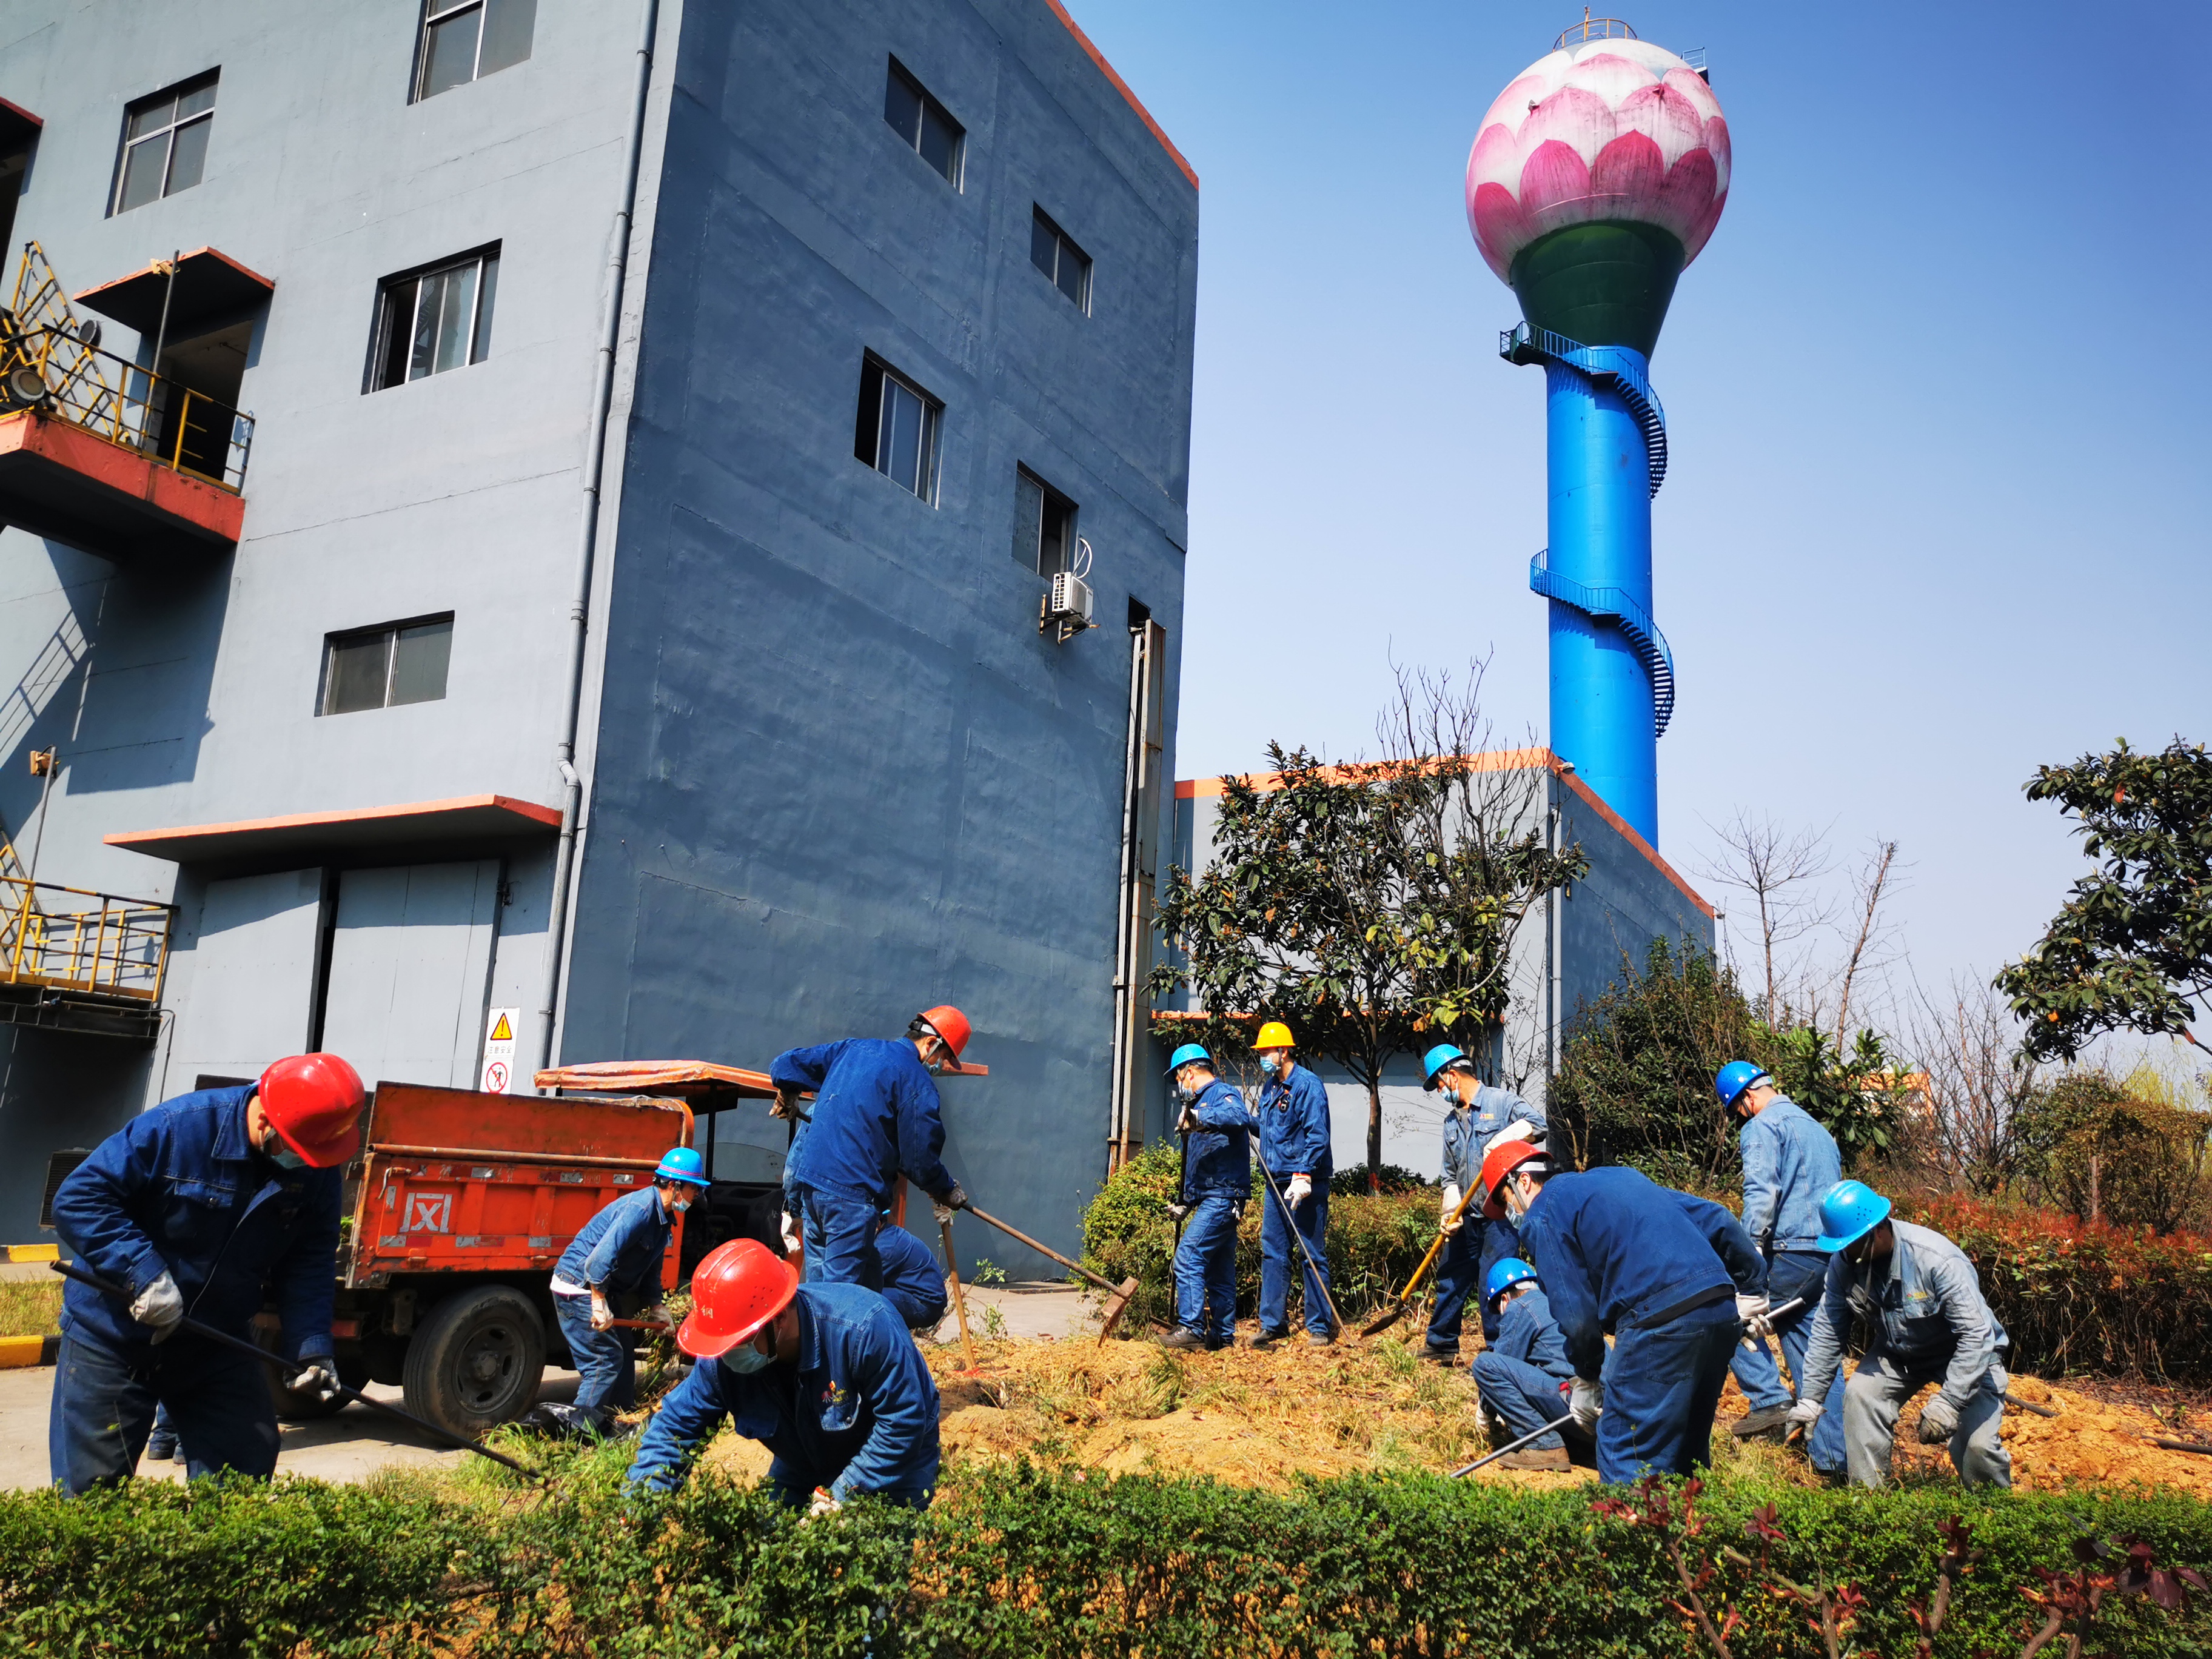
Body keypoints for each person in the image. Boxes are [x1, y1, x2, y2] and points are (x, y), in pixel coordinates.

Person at [47, 1054, 367, 1493]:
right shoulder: (178, 1128)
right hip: (115, 1336)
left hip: (216, 1340)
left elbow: (308, 1259)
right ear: (266, 1124)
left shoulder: (315, 1163)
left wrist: (310, 1348)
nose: (309, 1164)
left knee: (241, 1476)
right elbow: (80, 1199)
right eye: (300, 1151)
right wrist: (143, 1274)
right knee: (93, 1493)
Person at [1484, 1139, 1769, 1485]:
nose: (1511, 1212)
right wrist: (1752, 1289)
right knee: (1686, 1449)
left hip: (1658, 1320)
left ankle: (1633, 1533)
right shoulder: (1620, 1179)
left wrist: (1586, 1377)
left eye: (1505, 1199)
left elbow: (1575, 1315)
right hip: (1720, 1310)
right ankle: (1688, 1533)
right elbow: (1716, 1217)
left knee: (1626, 1446)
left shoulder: (1543, 1214)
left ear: (1523, 1182)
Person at [626, 1238, 940, 1510]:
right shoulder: (722, 1353)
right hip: (802, 1455)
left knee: (878, 1560)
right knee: (774, 1546)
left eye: (741, 1343)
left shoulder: (865, 1328)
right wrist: (641, 1501)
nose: (729, 1354)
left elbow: (903, 1422)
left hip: (894, 1458)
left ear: (778, 1320)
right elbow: (676, 1426)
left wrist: (842, 1495)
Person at [1786, 1181, 2012, 1490]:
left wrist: (1950, 1402)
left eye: (1851, 1245)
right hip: (1898, 1352)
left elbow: (1976, 1336)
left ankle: (1991, 1513)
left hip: (1964, 1354)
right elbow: (1828, 1330)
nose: (1845, 1255)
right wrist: (1811, 1399)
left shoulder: (1936, 1259)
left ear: (1878, 1230)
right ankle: (1870, 1503)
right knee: (1862, 1396)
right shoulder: (1845, 1263)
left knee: (1978, 1447)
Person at [772, 1007, 973, 1294]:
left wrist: (788, 1087)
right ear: (931, 1044)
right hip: (850, 1201)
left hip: (812, 1191)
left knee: (860, 1288)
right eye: (944, 1058)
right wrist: (945, 1189)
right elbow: (920, 1161)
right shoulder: (916, 1082)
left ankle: (838, 1336)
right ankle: (828, 1336)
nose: (940, 1066)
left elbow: (784, 1066)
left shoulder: (853, 1050)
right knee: (835, 1302)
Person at [1715, 1062, 1848, 1470]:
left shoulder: (1762, 1126)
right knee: (1816, 1355)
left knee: (1722, 1312)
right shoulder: (1819, 1130)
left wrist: (1746, 1259)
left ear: (1747, 1099)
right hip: (1827, 1257)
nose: (1742, 1118)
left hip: (1788, 1252)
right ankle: (1835, 1462)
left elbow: (1761, 1192)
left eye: (1738, 1110)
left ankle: (1768, 1399)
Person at [548, 1146, 711, 1433]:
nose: (696, 1196)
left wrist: (657, 1307)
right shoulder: (640, 1210)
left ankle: (618, 1421)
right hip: (578, 1288)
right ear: (675, 1186)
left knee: (622, 1351)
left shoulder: (663, 1221)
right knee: (604, 1361)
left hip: (602, 1290)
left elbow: (652, 1272)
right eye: (694, 1189)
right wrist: (598, 1302)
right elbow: (599, 1260)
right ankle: (578, 1433)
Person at [1419, 1043, 1544, 1361]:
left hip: (1500, 1213)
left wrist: (1503, 1140)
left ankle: (1501, 1350)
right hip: (1468, 1214)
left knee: (1496, 1279)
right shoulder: (1451, 1123)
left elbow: (1539, 1124)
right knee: (1450, 1274)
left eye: (1438, 1082)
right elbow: (1449, 1175)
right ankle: (1442, 1343)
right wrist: (1451, 1210)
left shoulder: (1501, 1103)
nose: (1438, 1089)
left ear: (1452, 1074)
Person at [1161, 1042, 1251, 1352]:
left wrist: (1200, 1116)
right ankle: (1222, 1337)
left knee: (1188, 1258)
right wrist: (1186, 1201)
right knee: (1219, 1269)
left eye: (1177, 1077)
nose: (1177, 1083)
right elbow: (1201, 1159)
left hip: (1224, 1196)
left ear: (1189, 1072)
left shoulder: (1221, 1094)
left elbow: (1239, 1117)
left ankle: (1191, 1329)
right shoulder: (1196, 1105)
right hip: (1215, 1195)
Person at [1248, 1021, 1334, 1348]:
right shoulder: (1270, 1089)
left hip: (1304, 1182)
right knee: (1273, 1252)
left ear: (1284, 1051)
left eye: (1267, 1051)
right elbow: (1271, 1133)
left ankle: (1320, 1327)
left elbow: (1317, 1135)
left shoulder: (1307, 1085)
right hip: (1275, 1181)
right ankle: (1273, 1324)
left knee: (1311, 1252)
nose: (1263, 1057)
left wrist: (1304, 1173)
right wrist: (1245, 1122)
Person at [1468, 1258, 1580, 1471]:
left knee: (1484, 1364)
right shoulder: (1558, 1300)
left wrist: (1485, 1411)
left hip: (1575, 1402)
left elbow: (1500, 1366)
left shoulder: (1520, 1307)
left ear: (1504, 1299)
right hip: (1607, 1415)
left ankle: (1544, 1445)